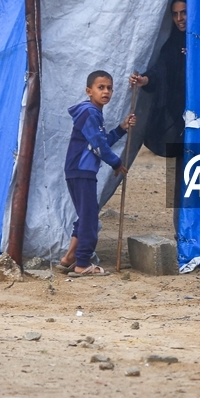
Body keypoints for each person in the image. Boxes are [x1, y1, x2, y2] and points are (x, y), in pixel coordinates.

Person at [58, 71, 135, 277]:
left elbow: (100, 141)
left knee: (85, 216)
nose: (106, 91)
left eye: (109, 88)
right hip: (82, 171)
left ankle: (69, 258)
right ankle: (82, 264)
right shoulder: (89, 112)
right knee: (90, 218)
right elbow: (98, 145)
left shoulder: (93, 114)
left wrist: (121, 128)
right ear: (88, 91)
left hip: (79, 170)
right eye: (101, 87)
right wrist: (117, 163)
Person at [130, 0, 187, 158]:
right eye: (175, 14)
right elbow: (161, 69)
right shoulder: (173, 43)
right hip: (179, 111)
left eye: (184, 13)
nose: (179, 19)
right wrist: (144, 80)